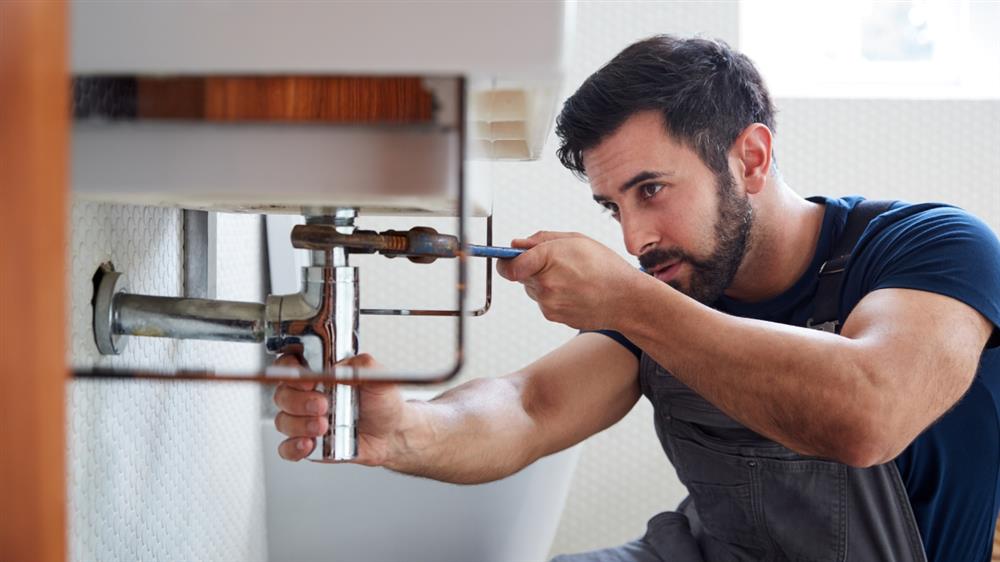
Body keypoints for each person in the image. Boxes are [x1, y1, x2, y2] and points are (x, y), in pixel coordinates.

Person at [272, 35, 1000, 561]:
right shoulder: (674, 285)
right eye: (613, 208)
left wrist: (627, 302)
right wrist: (403, 428)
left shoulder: (932, 247)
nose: (635, 238)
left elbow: (869, 413)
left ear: (750, 157)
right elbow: (530, 406)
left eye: (651, 190)